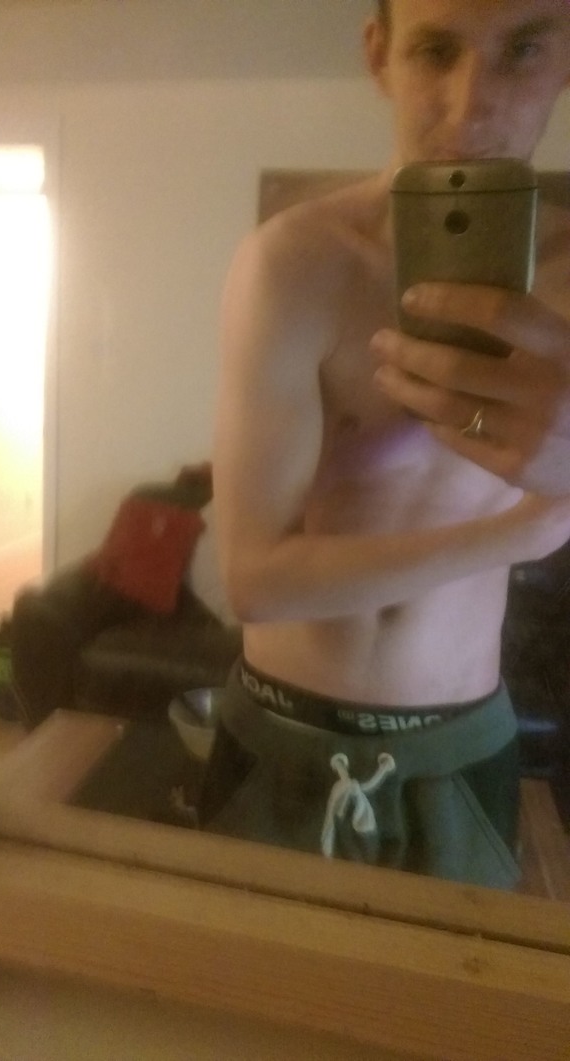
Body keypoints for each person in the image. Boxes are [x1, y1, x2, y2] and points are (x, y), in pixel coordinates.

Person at [198, 0, 570, 889]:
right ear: (380, 57)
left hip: (461, 743)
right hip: (279, 731)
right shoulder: (291, 264)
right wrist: (524, 531)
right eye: (437, 49)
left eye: (523, 49)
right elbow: (253, 580)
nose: (473, 102)